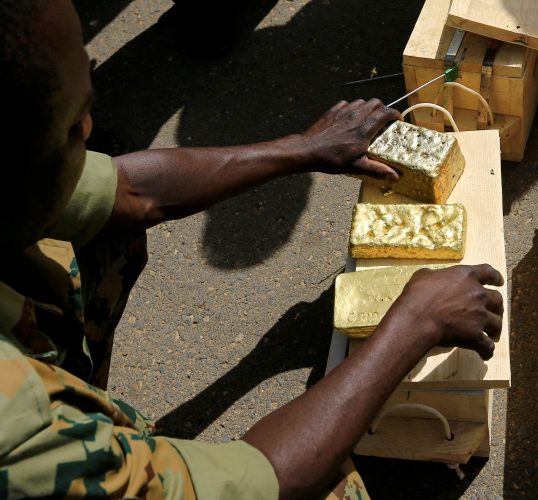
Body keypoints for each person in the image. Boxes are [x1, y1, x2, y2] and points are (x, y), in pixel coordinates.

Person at [0, 0, 505, 498]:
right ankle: (97, 430)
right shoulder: (16, 432)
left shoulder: (15, 175)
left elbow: (131, 191)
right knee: (329, 486)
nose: (90, 132)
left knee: (105, 232)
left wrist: (301, 148)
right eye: (73, 125)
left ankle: (76, 382)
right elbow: (265, 479)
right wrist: (416, 322)